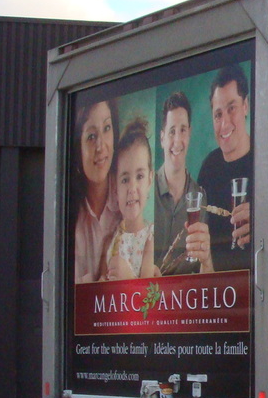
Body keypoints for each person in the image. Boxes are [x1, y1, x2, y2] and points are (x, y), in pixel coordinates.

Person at [192, 63, 252, 272]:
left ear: (245, 106)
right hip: (219, 285)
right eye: (218, 114)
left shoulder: (265, 160)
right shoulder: (209, 167)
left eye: (231, 108)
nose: (224, 123)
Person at [153, 91, 207, 275]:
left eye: (183, 130)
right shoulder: (145, 190)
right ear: (162, 138)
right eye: (172, 131)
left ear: (189, 134)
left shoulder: (200, 196)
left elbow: (203, 269)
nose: (177, 141)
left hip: (185, 293)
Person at [101, 117, 157, 280]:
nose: (132, 188)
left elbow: (149, 292)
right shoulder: (110, 239)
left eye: (139, 176)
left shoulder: (151, 239)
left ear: (150, 180)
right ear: (115, 186)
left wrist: (128, 278)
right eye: (125, 180)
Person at [74, 99, 121, 283]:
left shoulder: (129, 197)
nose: (101, 147)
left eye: (107, 128)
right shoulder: (68, 211)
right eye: (91, 136)